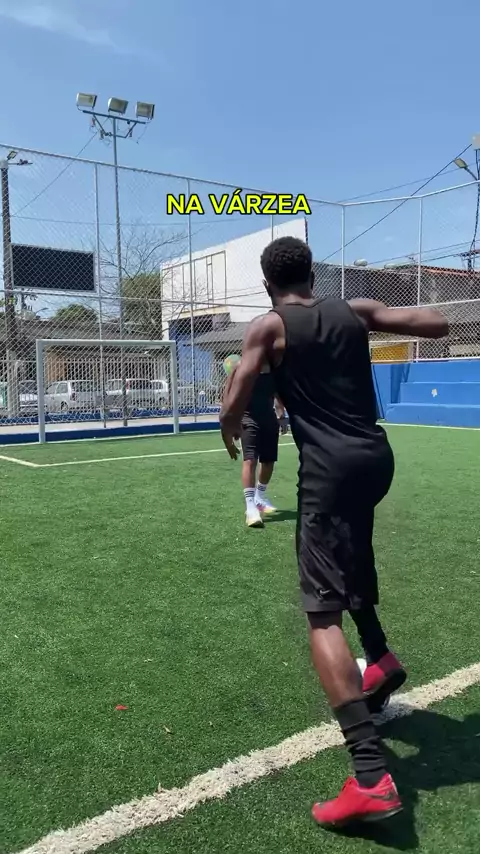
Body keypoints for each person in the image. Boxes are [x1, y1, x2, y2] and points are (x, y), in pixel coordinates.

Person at [220, 236, 448, 828]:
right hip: (376, 460)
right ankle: (380, 655)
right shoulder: (355, 310)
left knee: (321, 611)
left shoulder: (269, 326)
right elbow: (436, 322)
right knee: (350, 556)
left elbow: (238, 392)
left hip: (329, 471)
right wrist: (368, 317)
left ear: (267, 284)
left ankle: (370, 776)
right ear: (312, 275)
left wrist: (226, 426)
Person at [223, 359, 287, 527]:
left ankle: (260, 497)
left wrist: (281, 415)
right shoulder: (242, 367)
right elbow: (228, 397)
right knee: (250, 460)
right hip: (247, 418)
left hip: (269, 418)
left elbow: (278, 393)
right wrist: (231, 423)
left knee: (269, 461)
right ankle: (250, 506)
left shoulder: (274, 368)